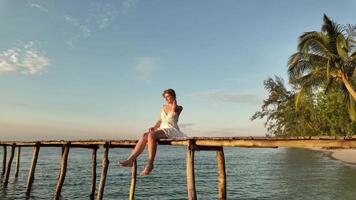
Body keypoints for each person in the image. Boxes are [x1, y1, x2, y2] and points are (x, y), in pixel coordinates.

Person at [117, 88, 188, 176]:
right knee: (144, 135)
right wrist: (154, 127)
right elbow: (160, 120)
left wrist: (174, 106)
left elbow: (175, 113)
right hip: (161, 129)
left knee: (151, 136)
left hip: (171, 129)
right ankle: (130, 160)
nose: (166, 99)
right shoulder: (163, 107)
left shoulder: (179, 107)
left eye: (168, 96)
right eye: (165, 97)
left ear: (173, 96)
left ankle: (150, 164)